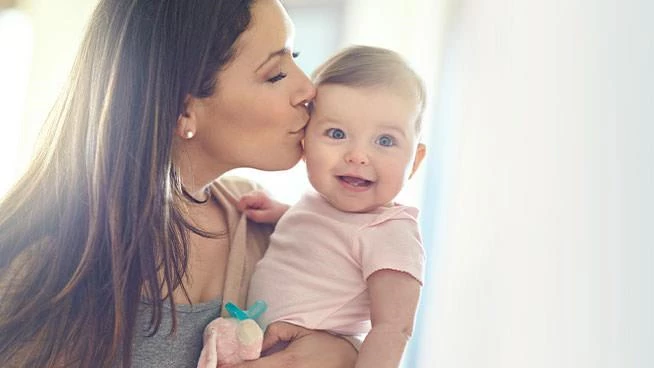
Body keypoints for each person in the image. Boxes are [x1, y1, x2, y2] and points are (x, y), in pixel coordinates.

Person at [0, 0, 358, 367]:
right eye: (275, 74)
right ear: (185, 110)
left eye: (294, 56)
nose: (308, 88)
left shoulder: (262, 223)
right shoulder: (38, 271)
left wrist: (345, 353)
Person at [201, 45, 428, 367]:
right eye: (337, 133)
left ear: (414, 161)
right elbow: (324, 238)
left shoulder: (391, 233)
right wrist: (283, 214)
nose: (358, 155)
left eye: (385, 141)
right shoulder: (319, 205)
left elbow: (394, 327)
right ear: (305, 144)